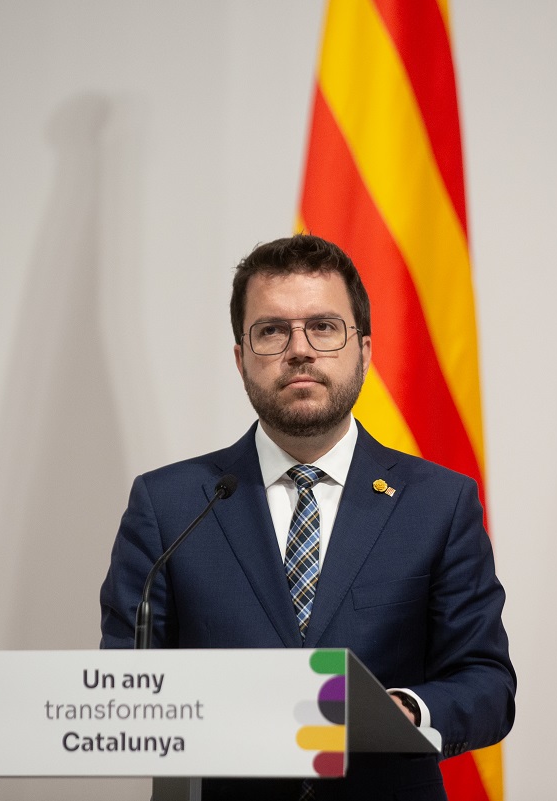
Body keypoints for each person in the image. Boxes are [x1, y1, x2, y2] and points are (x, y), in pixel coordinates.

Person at [100, 234, 515, 800]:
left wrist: (405, 713)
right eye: (272, 331)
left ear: (364, 350)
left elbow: (487, 684)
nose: (299, 349)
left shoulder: (438, 504)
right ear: (241, 358)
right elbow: (122, 688)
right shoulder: (169, 505)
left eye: (323, 327)